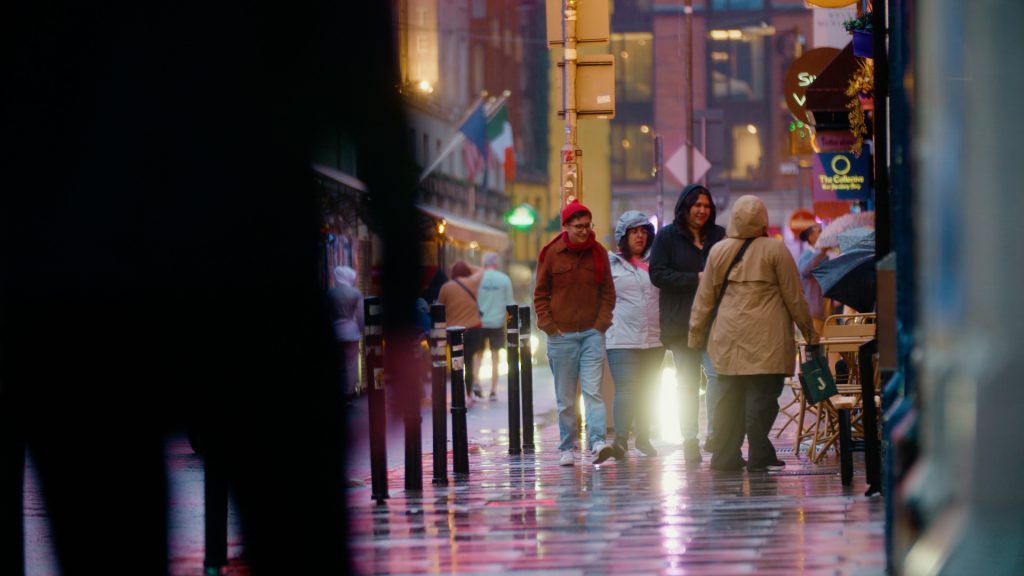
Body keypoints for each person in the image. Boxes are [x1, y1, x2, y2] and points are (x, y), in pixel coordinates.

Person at [689, 195, 821, 473]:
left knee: (729, 399)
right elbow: (794, 297)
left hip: (728, 340)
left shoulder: (718, 251)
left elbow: (704, 299)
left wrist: (695, 335)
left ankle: (725, 456)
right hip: (767, 340)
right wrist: (810, 334)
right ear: (763, 219)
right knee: (762, 398)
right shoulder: (776, 251)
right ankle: (760, 452)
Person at [534, 199, 616, 467]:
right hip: (562, 335)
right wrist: (549, 326)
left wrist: (601, 324)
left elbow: (608, 292)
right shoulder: (551, 253)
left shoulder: (599, 253)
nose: (584, 231)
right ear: (566, 226)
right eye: (578, 226)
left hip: (592, 333)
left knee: (593, 392)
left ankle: (597, 442)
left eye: (587, 225)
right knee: (566, 398)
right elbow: (541, 293)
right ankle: (567, 446)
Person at [649, 184, 726, 464]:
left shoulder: (719, 236)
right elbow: (657, 274)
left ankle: (715, 434)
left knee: (717, 376)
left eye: (707, 206)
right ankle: (690, 439)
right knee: (687, 383)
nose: (703, 211)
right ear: (685, 206)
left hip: (714, 321)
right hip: (680, 322)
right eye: (697, 205)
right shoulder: (667, 237)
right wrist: (695, 278)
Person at [606, 210, 663, 458]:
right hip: (621, 338)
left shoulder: (658, 264)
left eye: (643, 231)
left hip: (654, 338)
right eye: (633, 232)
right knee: (626, 389)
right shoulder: (611, 265)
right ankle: (620, 440)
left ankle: (644, 438)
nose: (639, 236)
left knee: (650, 390)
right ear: (623, 236)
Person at [438, 260, 486, 400]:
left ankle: (457, 394)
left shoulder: (446, 287)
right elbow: (482, 270)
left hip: (453, 332)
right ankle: (469, 394)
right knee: (469, 361)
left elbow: (439, 309)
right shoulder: (473, 283)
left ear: (453, 273)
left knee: (455, 363)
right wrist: (468, 266)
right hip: (473, 329)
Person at [477, 253, 515, 400]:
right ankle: (493, 390)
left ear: (484, 263)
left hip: (480, 322)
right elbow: (510, 303)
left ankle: (476, 383)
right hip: (497, 322)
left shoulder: (477, 278)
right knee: (495, 356)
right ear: (496, 263)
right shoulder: (504, 279)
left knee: (478, 354)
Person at [329, 266, 365, 404]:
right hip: (351, 332)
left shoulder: (330, 293)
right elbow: (361, 315)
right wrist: (361, 329)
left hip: (336, 331)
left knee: (339, 364)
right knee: (351, 365)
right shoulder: (355, 293)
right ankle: (348, 394)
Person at [797, 224, 830, 335]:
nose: (822, 234)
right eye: (819, 232)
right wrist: (821, 252)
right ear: (811, 238)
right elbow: (805, 270)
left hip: (826, 310)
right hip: (813, 310)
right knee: (815, 347)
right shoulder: (806, 255)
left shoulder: (824, 255)